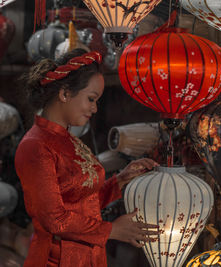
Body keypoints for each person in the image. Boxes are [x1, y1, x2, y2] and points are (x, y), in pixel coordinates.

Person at [15, 49, 159, 267]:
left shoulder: (69, 140)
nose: (94, 108)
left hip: (88, 257)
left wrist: (120, 180)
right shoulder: (35, 145)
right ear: (64, 94)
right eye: (91, 99)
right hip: (56, 259)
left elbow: (81, 203)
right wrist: (112, 230)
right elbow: (55, 219)